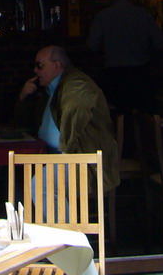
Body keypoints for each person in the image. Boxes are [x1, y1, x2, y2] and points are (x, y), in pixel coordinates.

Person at [14, 45, 119, 194]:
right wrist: (23, 98)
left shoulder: (75, 84)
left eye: (40, 65)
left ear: (57, 65)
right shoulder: (49, 91)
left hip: (80, 159)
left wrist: (63, 155)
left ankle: (65, 218)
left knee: (40, 185)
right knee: (18, 180)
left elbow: (74, 115)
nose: (35, 71)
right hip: (46, 155)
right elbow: (22, 125)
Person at [86, 0, 163, 115]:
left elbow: (92, 45)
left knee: (121, 116)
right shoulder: (143, 14)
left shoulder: (104, 17)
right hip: (141, 73)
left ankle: (124, 136)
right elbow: (160, 43)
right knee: (144, 116)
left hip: (116, 75)